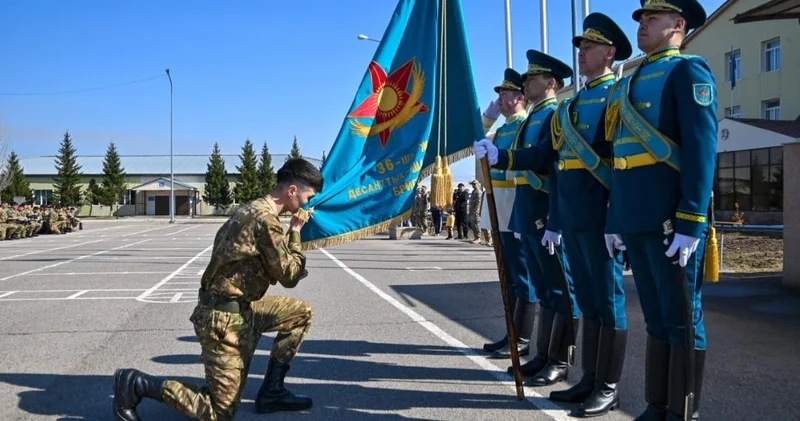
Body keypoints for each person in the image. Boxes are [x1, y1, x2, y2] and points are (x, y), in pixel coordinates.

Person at [113, 158, 323, 421]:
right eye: (308, 196)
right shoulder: (265, 221)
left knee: (300, 313)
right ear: (292, 190)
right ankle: (137, 384)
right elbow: (290, 275)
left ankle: (273, 391)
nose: (307, 204)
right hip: (222, 318)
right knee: (220, 412)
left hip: (243, 307)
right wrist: (295, 232)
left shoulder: (252, 209)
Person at [604, 1, 715, 420]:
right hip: (636, 219)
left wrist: (691, 218)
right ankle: (657, 405)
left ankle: (682, 412)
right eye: (642, 19)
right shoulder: (632, 79)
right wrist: (616, 220)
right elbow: (621, 158)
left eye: (653, 18)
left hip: (673, 222)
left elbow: (702, 148)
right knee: (655, 318)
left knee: (682, 319)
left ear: (678, 25)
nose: (643, 25)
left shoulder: (687, 71)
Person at [475, 50, 582, 387]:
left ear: (550, 83)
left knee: (557, 288)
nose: (524, 84)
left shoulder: (554, 114)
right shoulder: (534, 118)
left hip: (543, 210)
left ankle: (558, 360)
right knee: (543, 286)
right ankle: (543, 354)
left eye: (530, 79)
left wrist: (556, 220)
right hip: (524, 209)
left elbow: (551, 165)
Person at [477, 69, 534, 359]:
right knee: (508, 275)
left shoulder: (525, 125)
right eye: (499, 93)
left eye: (506, 93)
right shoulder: (502, 128)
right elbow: (472, 138)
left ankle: (521, 338)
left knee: (521, 275)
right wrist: (488, 117)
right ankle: (510, 333)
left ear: (520, 97)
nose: (500, 97)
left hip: (514, 206)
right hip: (498, 205)